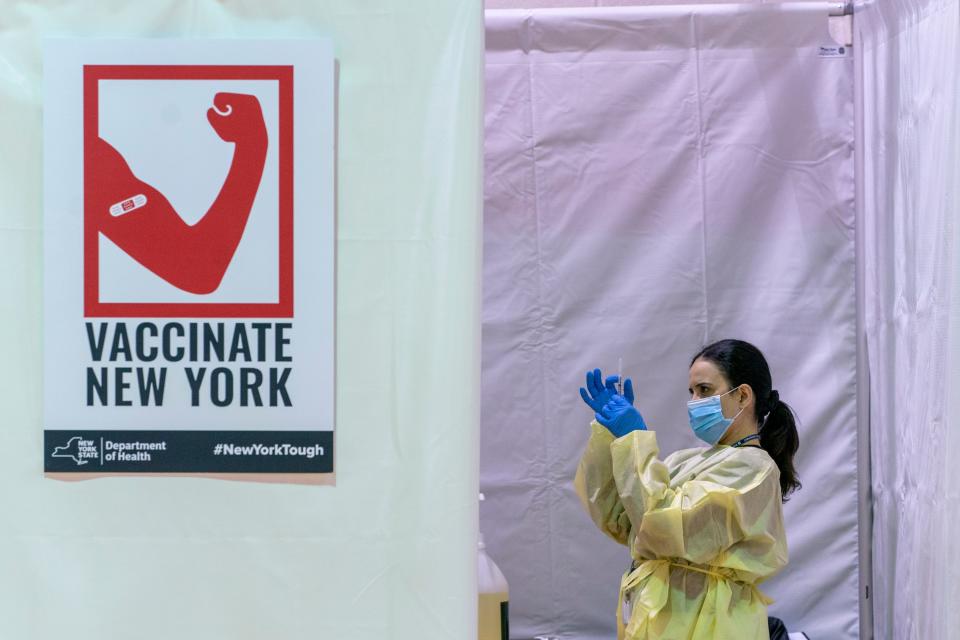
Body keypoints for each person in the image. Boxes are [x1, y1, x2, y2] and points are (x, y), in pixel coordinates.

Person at [574, 339, 800, 640]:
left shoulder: (753, 469)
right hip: (660, 621)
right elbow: (621, 518)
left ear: (743, 395)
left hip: (709, 625)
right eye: (691, 392)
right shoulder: (688, 460)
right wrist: (610, 437)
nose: (694, 401)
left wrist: (634, 439)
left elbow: (663, 526)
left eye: (704, 390)